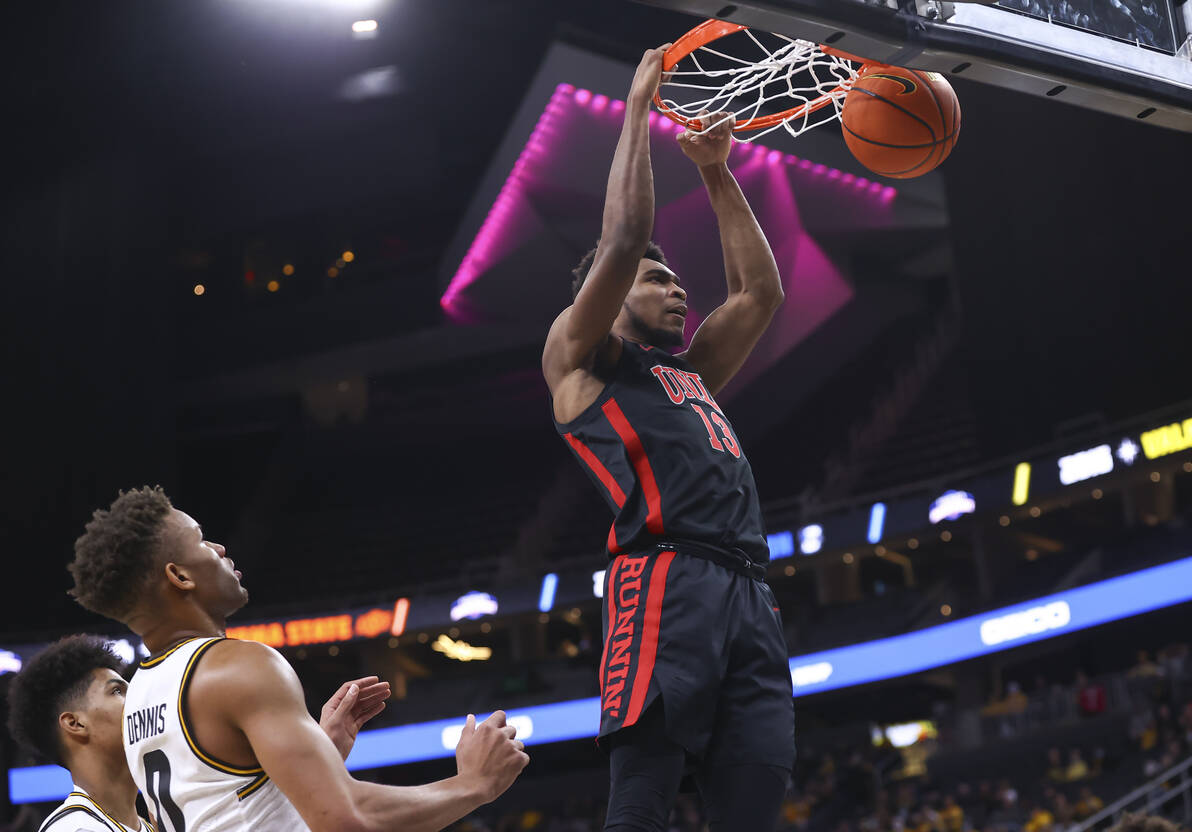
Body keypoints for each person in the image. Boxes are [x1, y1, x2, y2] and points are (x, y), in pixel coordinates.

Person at [541, 45, 794, 831]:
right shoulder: (580, 360)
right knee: (643, 798)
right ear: (607, 297)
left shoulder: (691, 371)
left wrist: (716, 170)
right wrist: (639, 110)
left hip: (750, 590)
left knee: (754, 799)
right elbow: (624, 239)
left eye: (677, 279)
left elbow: (761, 292)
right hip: (663, 580)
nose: (679, 285)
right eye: (660, 279)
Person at [67, 486, 528, 832]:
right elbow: (346, 818)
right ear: (179, 576)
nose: (221, 550)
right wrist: (473, 784)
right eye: (203, 540)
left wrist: (320, 752)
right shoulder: (239, 667)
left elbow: (229, 809)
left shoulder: (141, 695)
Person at [6, 634, 390, 831]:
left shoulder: (157, 821)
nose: (137, 699)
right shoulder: (75, 828)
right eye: (118, 691)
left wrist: (322, 757)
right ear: (75, 724)